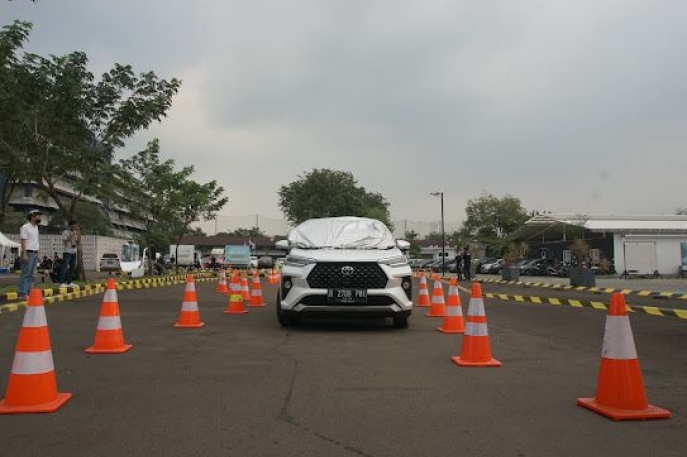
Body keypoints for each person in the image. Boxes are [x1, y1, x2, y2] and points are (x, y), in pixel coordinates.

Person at [17, 209, 43, 299]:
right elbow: (23, 241)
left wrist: (38, 253)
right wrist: (24, 254)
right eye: (38, 215)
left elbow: (35, 241)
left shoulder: (36, 227)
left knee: (32, 274)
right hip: (28, 252)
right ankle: (22, 293)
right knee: (26, 273)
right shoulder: (25, 227)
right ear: (32, 216)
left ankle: (28, 291)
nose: (40, 217)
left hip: (34, 252)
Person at [59, 220, 80, 287]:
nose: (74, 227)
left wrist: (77, 234)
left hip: (74, 252)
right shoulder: (65, 232)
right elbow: (65, 241)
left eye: (75, 226)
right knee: (64, 267)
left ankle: (69, 282)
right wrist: (72, 235)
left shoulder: (75, 232)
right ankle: (61, 282)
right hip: (67, 252)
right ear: (70, 226)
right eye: (73, 226)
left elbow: (77, 242)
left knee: (72, 268)